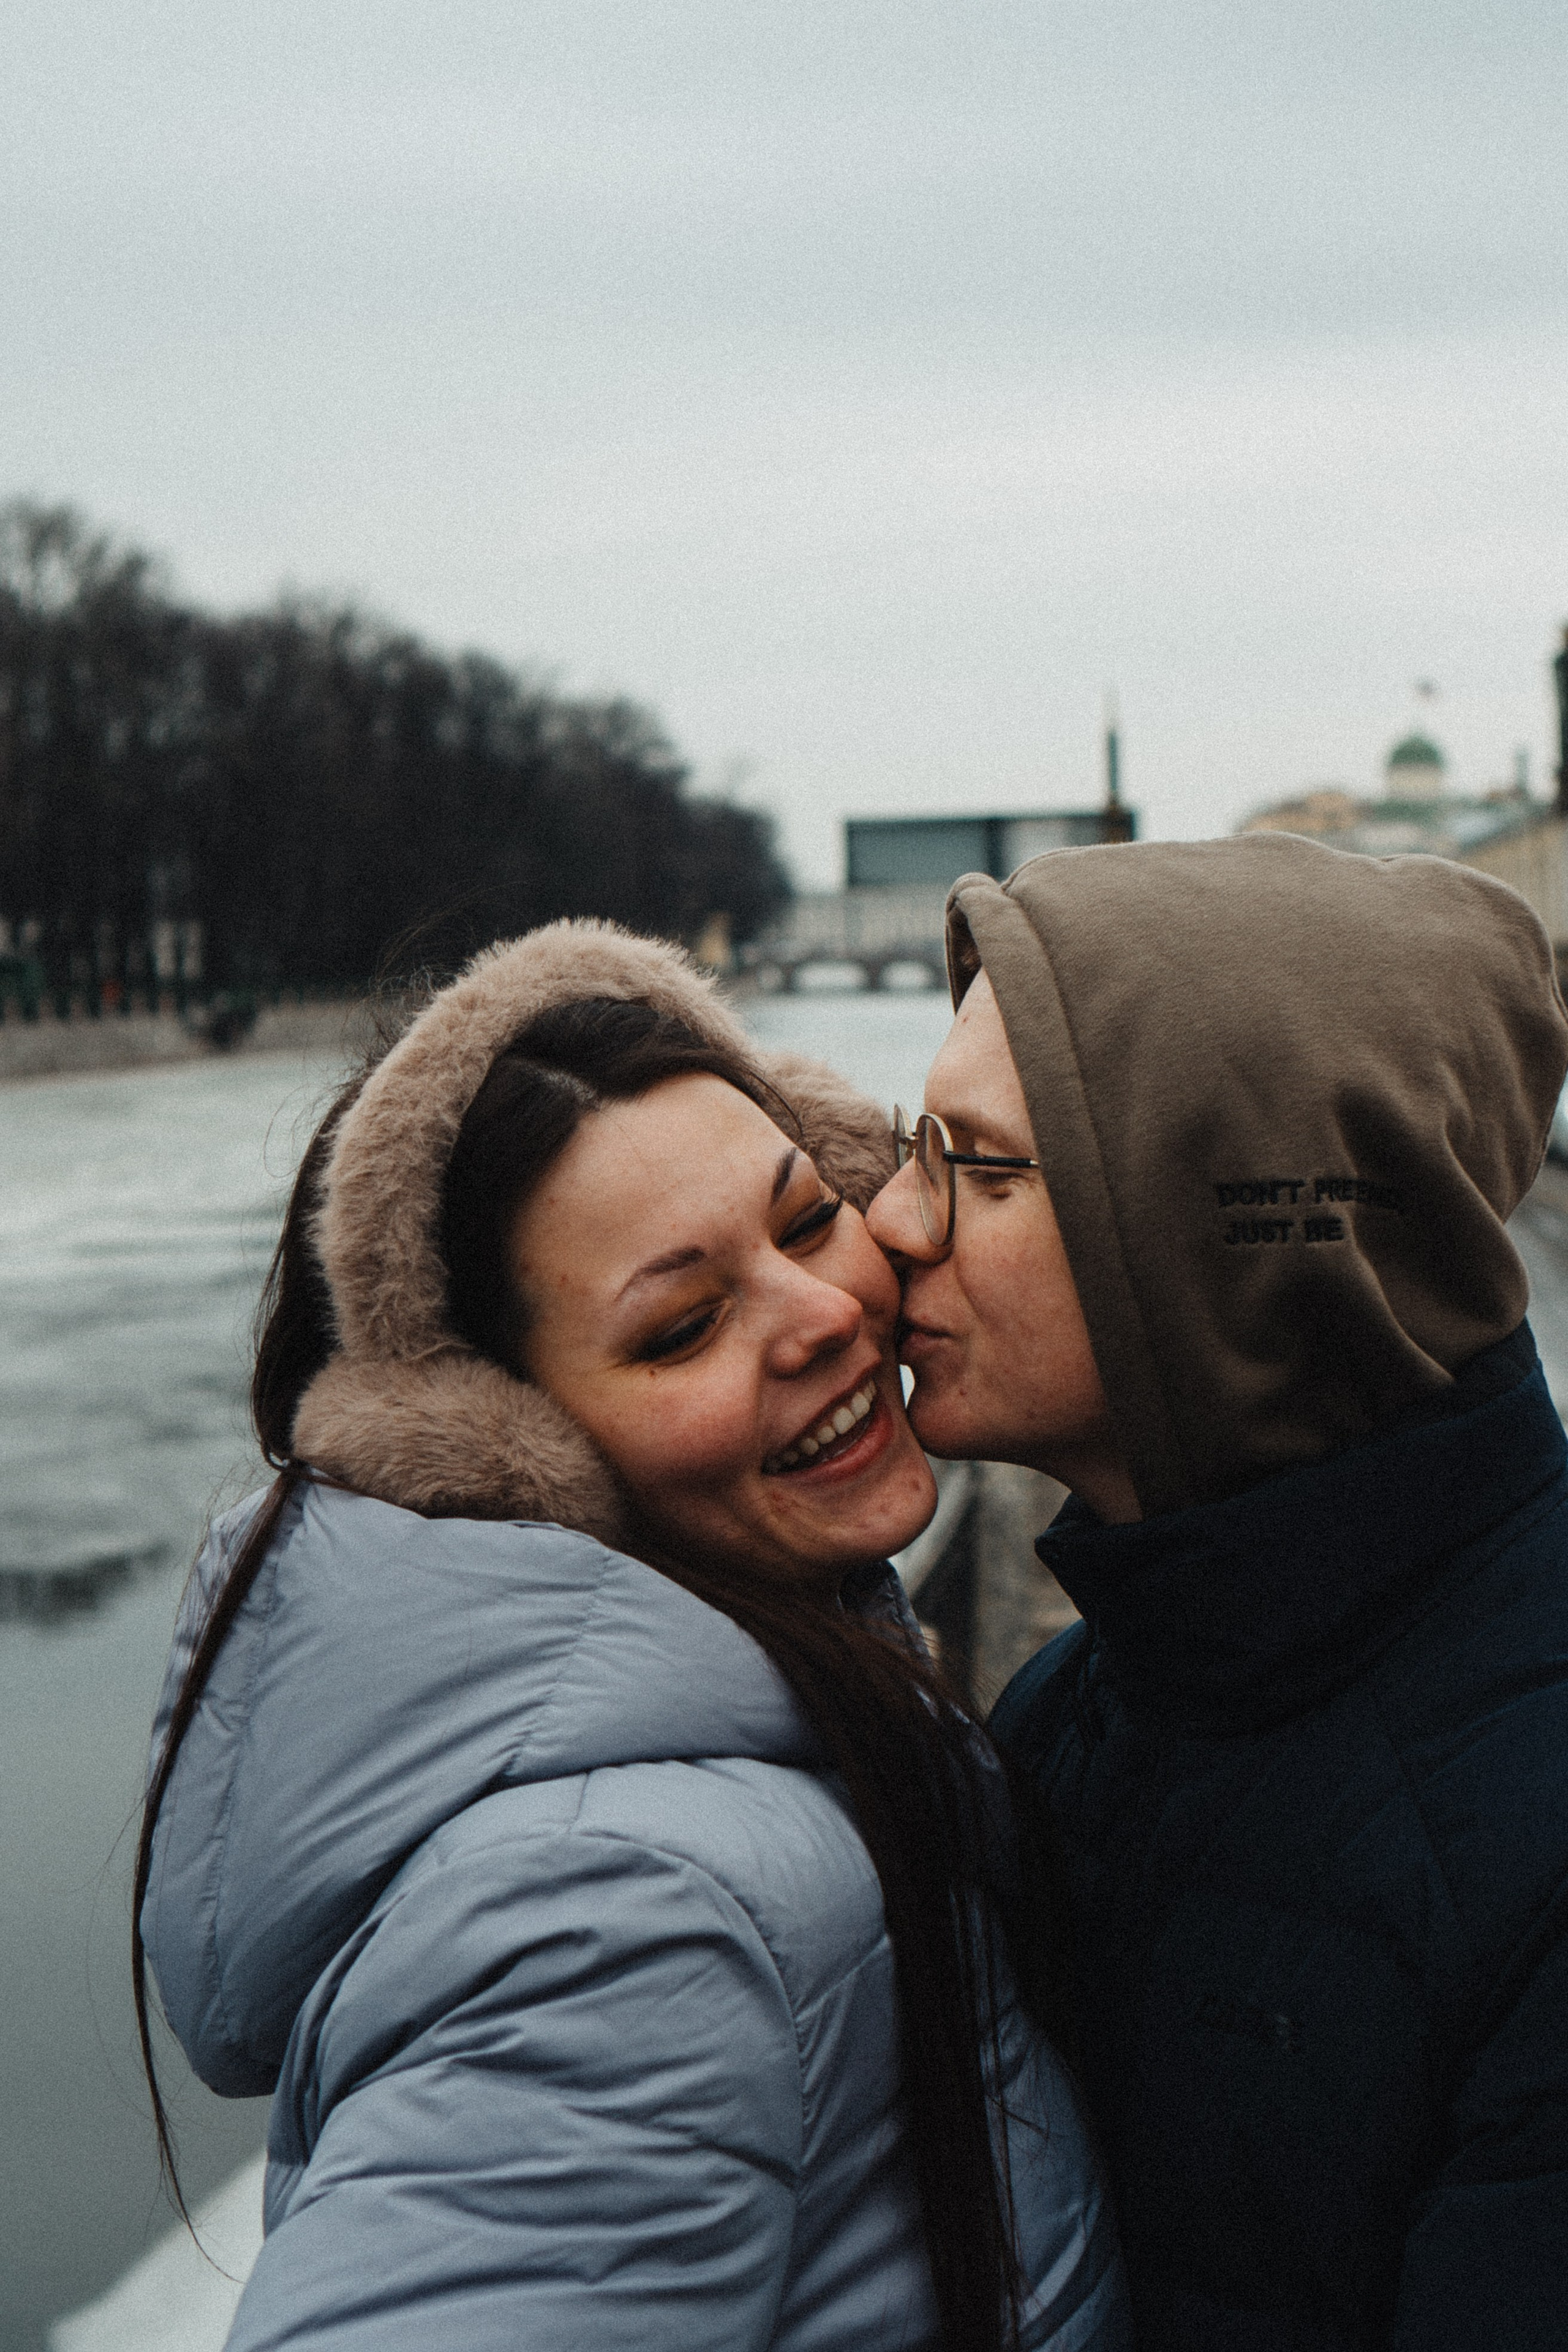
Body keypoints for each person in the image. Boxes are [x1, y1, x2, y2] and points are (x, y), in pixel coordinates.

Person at [135, 920, 1128, 2352]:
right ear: (509, 1454)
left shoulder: (759, 1754)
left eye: (802, 1221)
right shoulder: (628, 1923)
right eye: (678, 1330)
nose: (823, 1315)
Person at [866, 831, 1568, 2351]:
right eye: (906, 1149)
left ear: (1225, 1241)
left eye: (978, 1168)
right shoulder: (1078, 1704)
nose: (891, 1227)